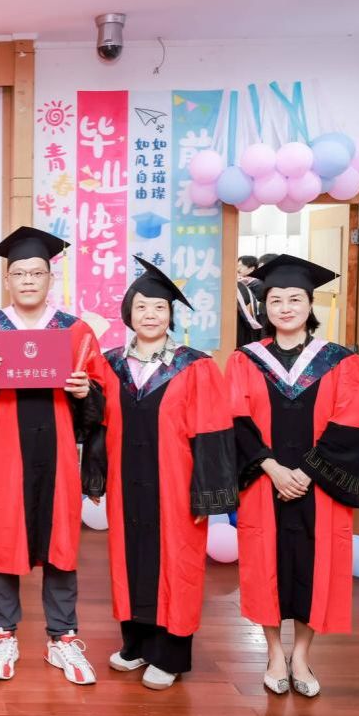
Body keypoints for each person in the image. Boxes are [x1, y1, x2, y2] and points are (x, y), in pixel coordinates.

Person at [0, 227, 107, 685]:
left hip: (57, 451)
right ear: (7, 280)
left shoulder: (74, 330)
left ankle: (62, 637)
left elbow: (100, 391)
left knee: (61, 539)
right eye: (19, 273)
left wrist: (85, 390)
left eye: (36, 273)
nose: (27, 280)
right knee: (5, 536)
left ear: (49, 278)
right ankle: (4, 632)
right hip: (6, 454)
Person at [88, 257, 237, 690]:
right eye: (141, 307)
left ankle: (169, 654)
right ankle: (135, 644)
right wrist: (94, 476)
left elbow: (213, 431)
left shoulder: (195, 366)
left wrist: (208, 494)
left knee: (177, 563)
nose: (150, 315)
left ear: (171, 315)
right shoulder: (110, 364)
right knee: (130, 558)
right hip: (126, 481)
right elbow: (98, 425)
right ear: (128, 314)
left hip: (175, 484)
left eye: (159, 308)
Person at [227, 254, 359, 698]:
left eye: (295, 299)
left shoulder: (340, 361)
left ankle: (302, 656)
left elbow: (351, 424)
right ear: (264, 306)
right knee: (264, 566)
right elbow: (235, 421)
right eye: (275, 299)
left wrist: (306, 472)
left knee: (317, 567)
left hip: (318, 486)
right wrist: (270, 467)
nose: (285, 307)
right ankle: (274, 654)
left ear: (310, 304)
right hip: (263, 482)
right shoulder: (245, 360)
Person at [236, 255, 264, 347]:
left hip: (253, 326)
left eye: (240, 266)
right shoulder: (243, 282)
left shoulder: (258, 284)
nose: (237, 268)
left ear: (252, 268)